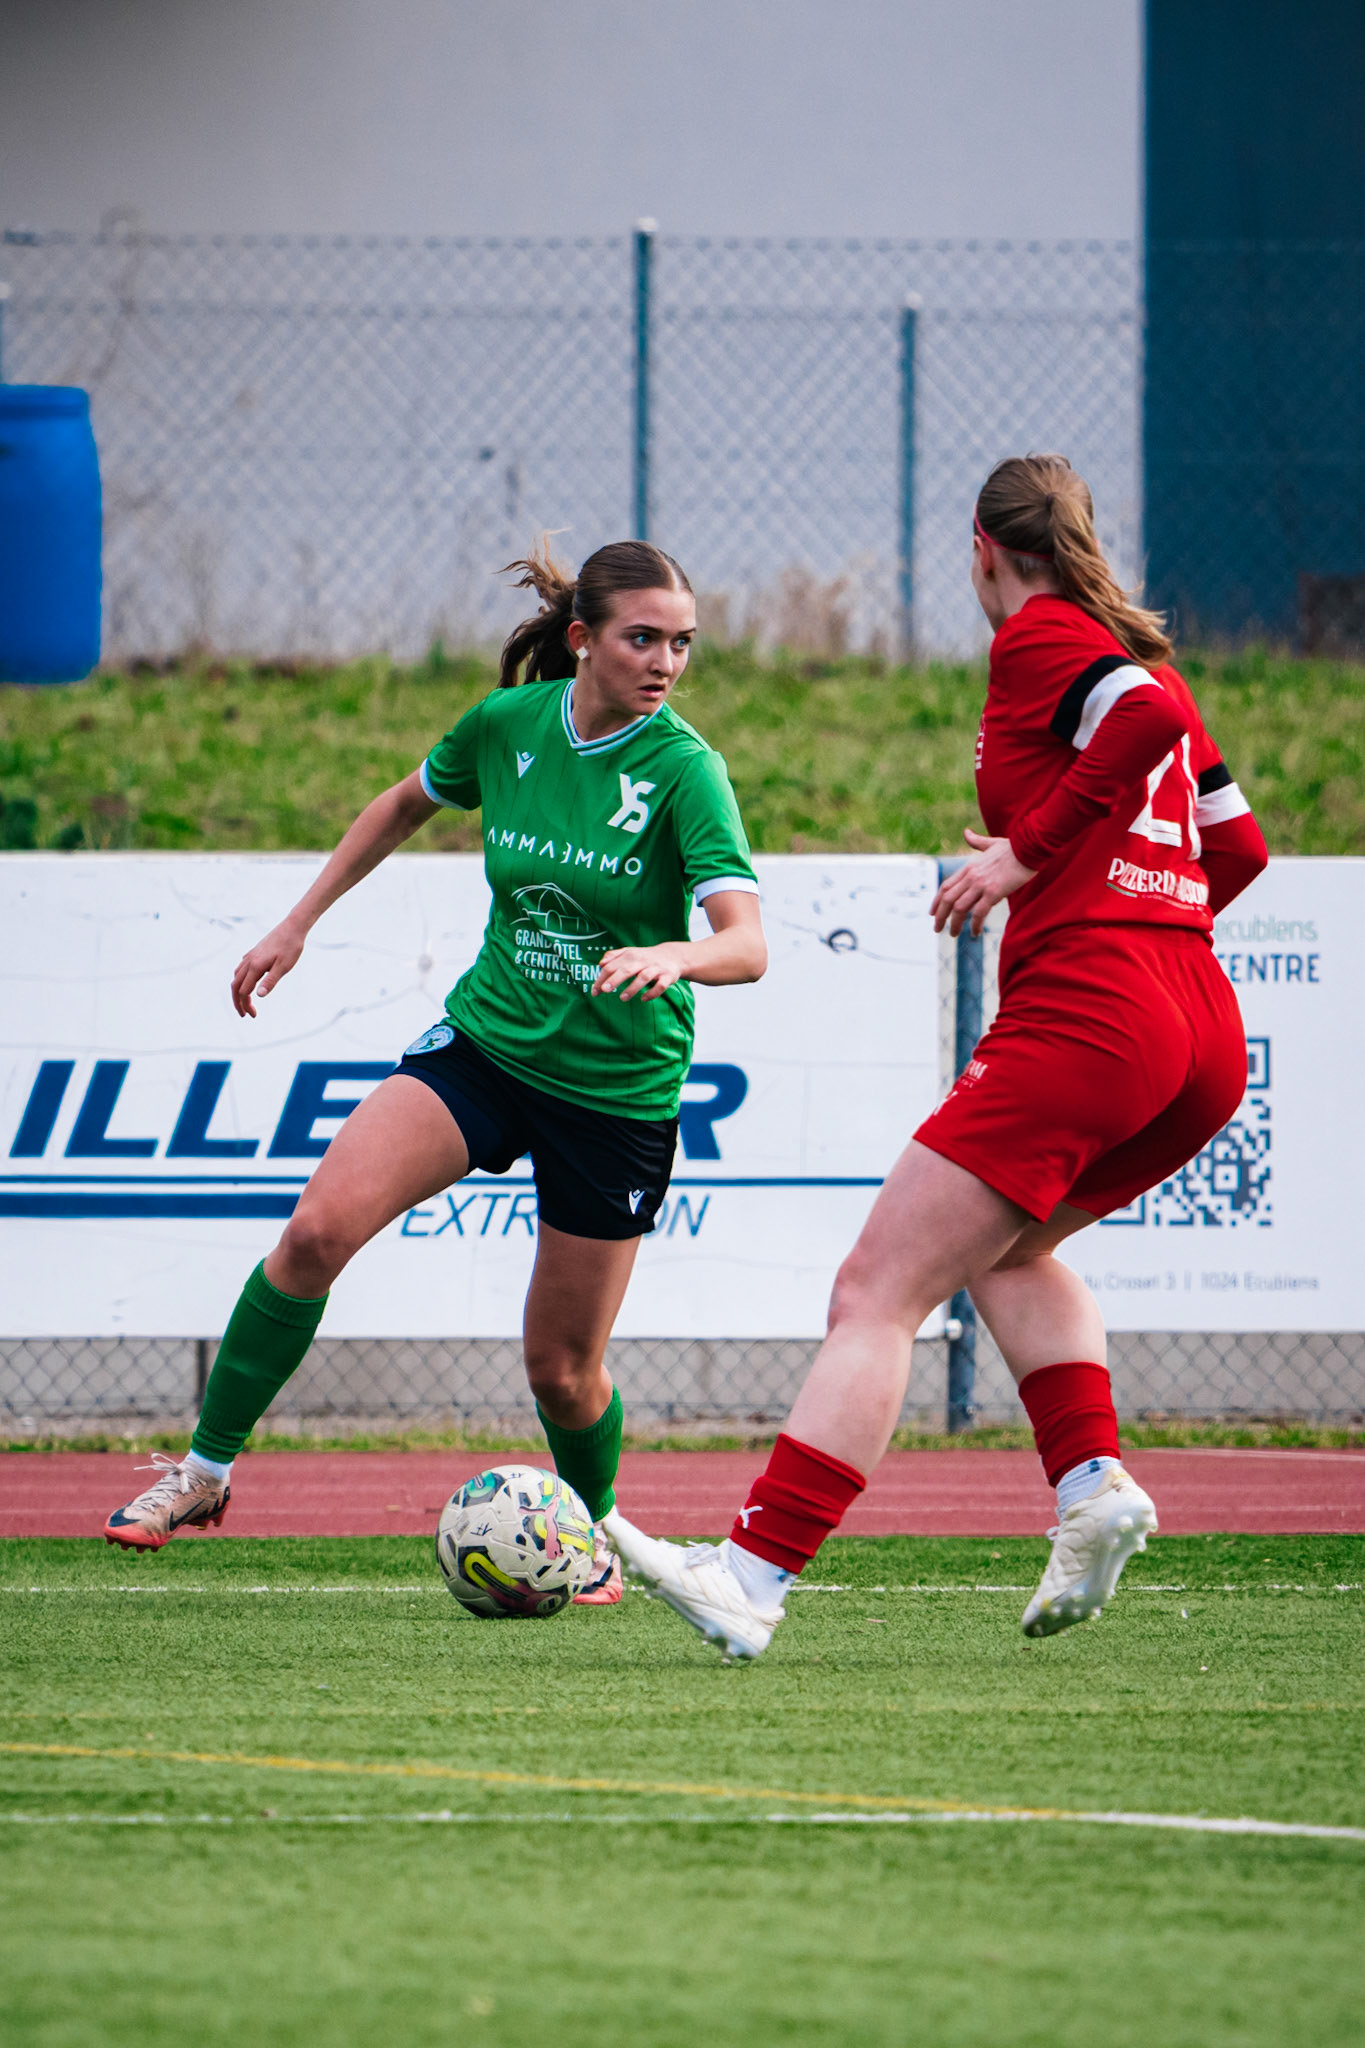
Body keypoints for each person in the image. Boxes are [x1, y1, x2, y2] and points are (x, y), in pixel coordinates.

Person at [609, 453, 1269, 1656]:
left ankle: (752, 1574)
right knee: (1009, 1253)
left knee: (877, 1290)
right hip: (1197, 1022)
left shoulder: (1043, 637)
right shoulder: (1123, 646)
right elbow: (1242, 847)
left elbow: (1149, 719)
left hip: (1100, 1007)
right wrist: (1133, 904)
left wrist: (1033, 861)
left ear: (980, 548)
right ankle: (1089, 1487)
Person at [105, 539, 768, 1602]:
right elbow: (403, 801)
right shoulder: (506, 729)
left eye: (682, 642)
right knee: (317, 1229)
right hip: (489, 1048)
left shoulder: (686, 771)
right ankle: (200, 1472)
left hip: (614, 1092)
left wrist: (677, 951)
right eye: (643, 637)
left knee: (559, 1367)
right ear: (581, 638)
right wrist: (297, 922)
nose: (665, 661)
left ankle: (585, 1530)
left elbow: (749, 942)